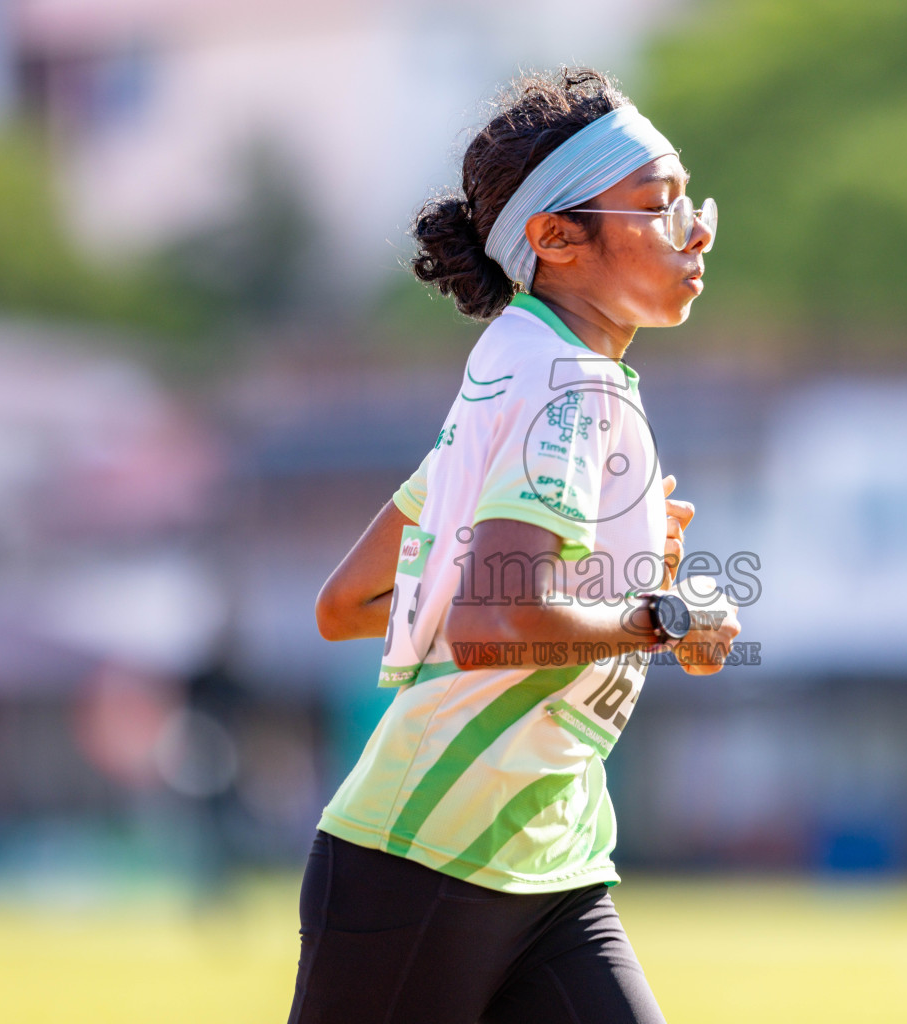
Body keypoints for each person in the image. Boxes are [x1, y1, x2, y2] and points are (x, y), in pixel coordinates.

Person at [288, 67, 741, 1024]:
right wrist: (661, 619)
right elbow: (496, 620)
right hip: (432, 856)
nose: (694, 232)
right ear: (554, 237)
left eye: (689, 203)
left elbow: (354, 605)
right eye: (658, 207)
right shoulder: (571, 384)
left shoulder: (513, 362)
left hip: (544, 855)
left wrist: (601, 591)